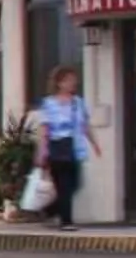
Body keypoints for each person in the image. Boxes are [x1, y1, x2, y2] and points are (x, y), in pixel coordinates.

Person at [37, 64, 95, 227]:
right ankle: (66, 221)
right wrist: (42, 151)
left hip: (74, 148)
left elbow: (85, 125)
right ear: (59, 83)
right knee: (63, 186)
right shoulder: (48, 103)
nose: (72, 83)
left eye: (73, 80)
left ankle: (50, 210)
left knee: (75, 184)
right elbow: (44, 129)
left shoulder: (78, 102)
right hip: (56, 147)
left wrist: (95, 143)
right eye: (68, 80)